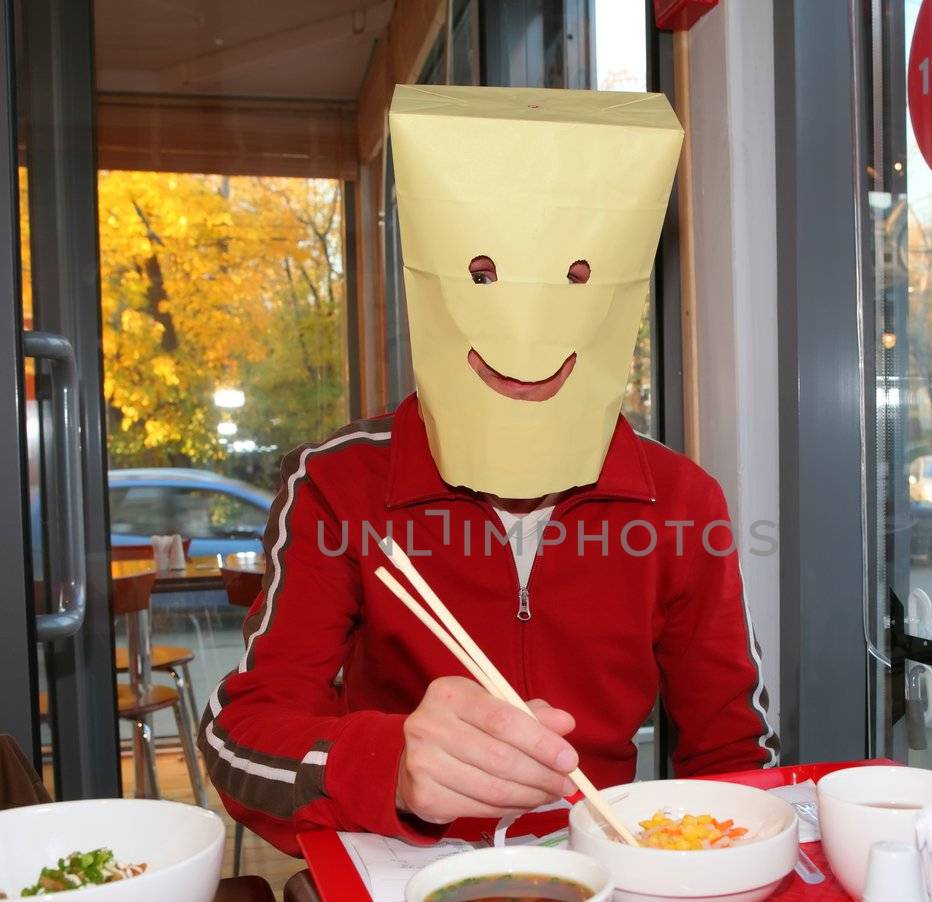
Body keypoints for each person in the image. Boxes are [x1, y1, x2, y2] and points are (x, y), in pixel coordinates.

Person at [199, 86, 779, 854]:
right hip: (398, 874)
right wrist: (392, 765)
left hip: (608, 877)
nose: (526, 330)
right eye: (480, 274)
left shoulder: (680, 502)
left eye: (578, 277)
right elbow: (239, 739)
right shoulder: (337, 485)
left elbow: (737, 755)